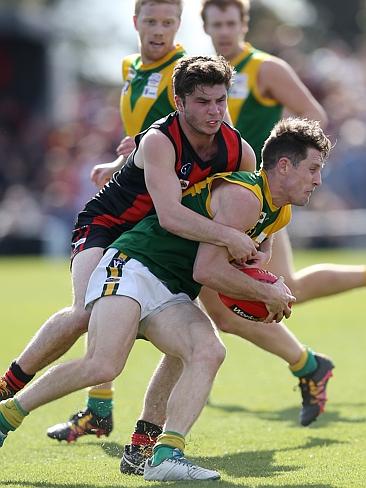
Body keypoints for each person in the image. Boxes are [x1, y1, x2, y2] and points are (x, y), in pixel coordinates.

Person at [0, 117, 331, 482]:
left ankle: (161, 454)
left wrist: (261, 265)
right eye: (313, 169)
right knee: (103, 365)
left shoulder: (279, 211)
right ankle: (7, 415)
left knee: (206, 350)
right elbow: (208, 272)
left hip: (172, 287)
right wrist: (266, 291)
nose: (318, 179)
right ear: (284, 166)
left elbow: (247, 251)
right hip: (135, 266)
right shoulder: (244, 197)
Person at [0, 53, 294, 431]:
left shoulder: (239, 152)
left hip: (156, 240)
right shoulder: (160, 140)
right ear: (180, 102)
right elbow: (172, 214)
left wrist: (257, 256)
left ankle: (137, 436)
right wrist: (229, 237)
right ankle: (12, 385)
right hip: (109, 224)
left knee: (197, 337)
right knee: (86, 312)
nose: (214, 111)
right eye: (203, 101)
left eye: (220, 101)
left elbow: (249, 213)